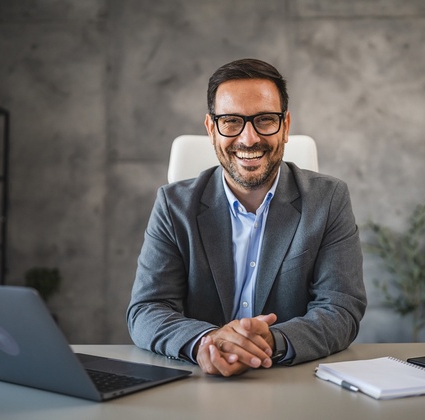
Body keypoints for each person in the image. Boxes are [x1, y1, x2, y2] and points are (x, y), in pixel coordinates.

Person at [127, 58, 367, 377]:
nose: (249, 138)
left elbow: (341, 309)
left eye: (265, 120)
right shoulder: (173, 206)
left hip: (290, 381)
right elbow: (147, 309)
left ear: (285, 126)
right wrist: (207, 342)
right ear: (212, 129)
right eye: (231, 121)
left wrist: (271, 342)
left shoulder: (328, 200)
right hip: (197, 380)